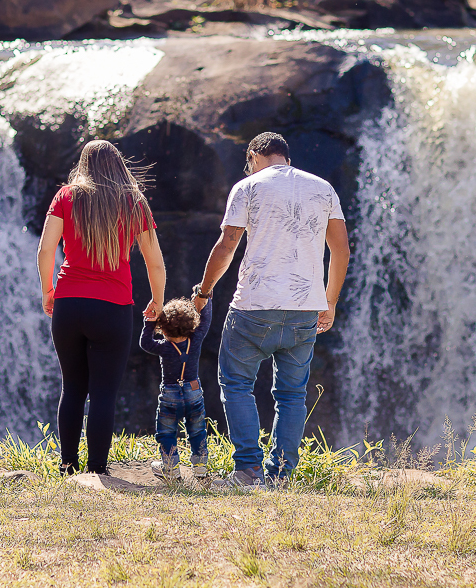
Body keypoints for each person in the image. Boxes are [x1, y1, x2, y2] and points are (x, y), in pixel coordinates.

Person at [192, 132, 350, 487]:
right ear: (286, 157)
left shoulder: (248, 187)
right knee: (292, 394)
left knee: (236, 385)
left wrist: (203, 292)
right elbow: (341, 251)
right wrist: (330, 301)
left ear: (253, 156)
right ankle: (281, 476)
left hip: (254, 306)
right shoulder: (323, 188)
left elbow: (228, 244)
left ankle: (248, 471)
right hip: (305, 309)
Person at [37, 140, 166, 475]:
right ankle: (97, 470)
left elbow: (45, 250)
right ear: (118, 165)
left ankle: (67, 465)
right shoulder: (133, 201)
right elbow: (155, 264)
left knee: (73, 388)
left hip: (69, 305)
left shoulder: (66, 196)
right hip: (113, 307)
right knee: (104, 393)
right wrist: (157, 300)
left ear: (84, 165)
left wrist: (48, 290)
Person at [139, 298, 213, 483]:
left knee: (167, 433)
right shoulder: (195, 340)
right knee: (197, 431)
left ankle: (171, 469)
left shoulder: (164, 347)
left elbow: (145, 343)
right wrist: (206, 299)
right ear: (191, 324)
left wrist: (149, 321)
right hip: (194, 392)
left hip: (170, 394)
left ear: (162, 328)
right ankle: (200, 468)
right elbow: (206, 321)